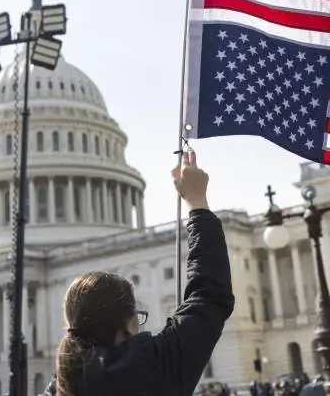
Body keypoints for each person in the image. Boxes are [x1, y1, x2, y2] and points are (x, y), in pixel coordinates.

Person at [44, 150, 235, 396]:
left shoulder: (62, 386)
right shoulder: (156, 365)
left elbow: (208, 298)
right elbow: (208, 296)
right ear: (127, 323)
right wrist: (197, 202)